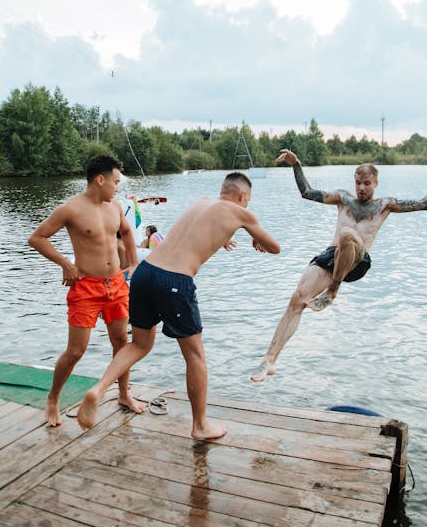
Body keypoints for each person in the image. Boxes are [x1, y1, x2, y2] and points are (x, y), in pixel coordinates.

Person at [77, 172, 280, 439]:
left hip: (145, 273)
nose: (246, 207)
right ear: (242, 196)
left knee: (138, 344)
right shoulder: (241, 213)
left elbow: (197, 234)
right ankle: (200, 426)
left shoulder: (201, 202)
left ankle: (99, 389)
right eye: (247, 201)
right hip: (175, 280)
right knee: (195, 356)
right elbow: (274, 247)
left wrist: (231, 234)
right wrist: (253, 232)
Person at [250, 149, 427, 382]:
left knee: (347, 234)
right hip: (332, 257)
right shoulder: (342, 198)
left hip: (358, 260)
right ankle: (270, 360)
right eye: (358, 183)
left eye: (367, 183)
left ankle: (333, 290)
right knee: (297, 300)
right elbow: (306, 192)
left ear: (376, 183)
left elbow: (424, 204)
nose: (362, 188)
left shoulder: (385, 205)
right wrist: (296, 164)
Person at [28, 155, 145, 426]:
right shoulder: (70, 209)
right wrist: (66, 263)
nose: (118, 187)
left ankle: (124, 394)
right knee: (76, 351)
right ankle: (53, 399)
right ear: (100, 180)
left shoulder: (115, 207)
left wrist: (134, 263)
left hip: (116, 284)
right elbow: (37, 238)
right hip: (86, 288)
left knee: (121, 344)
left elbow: (127, 232)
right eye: (115, 182)